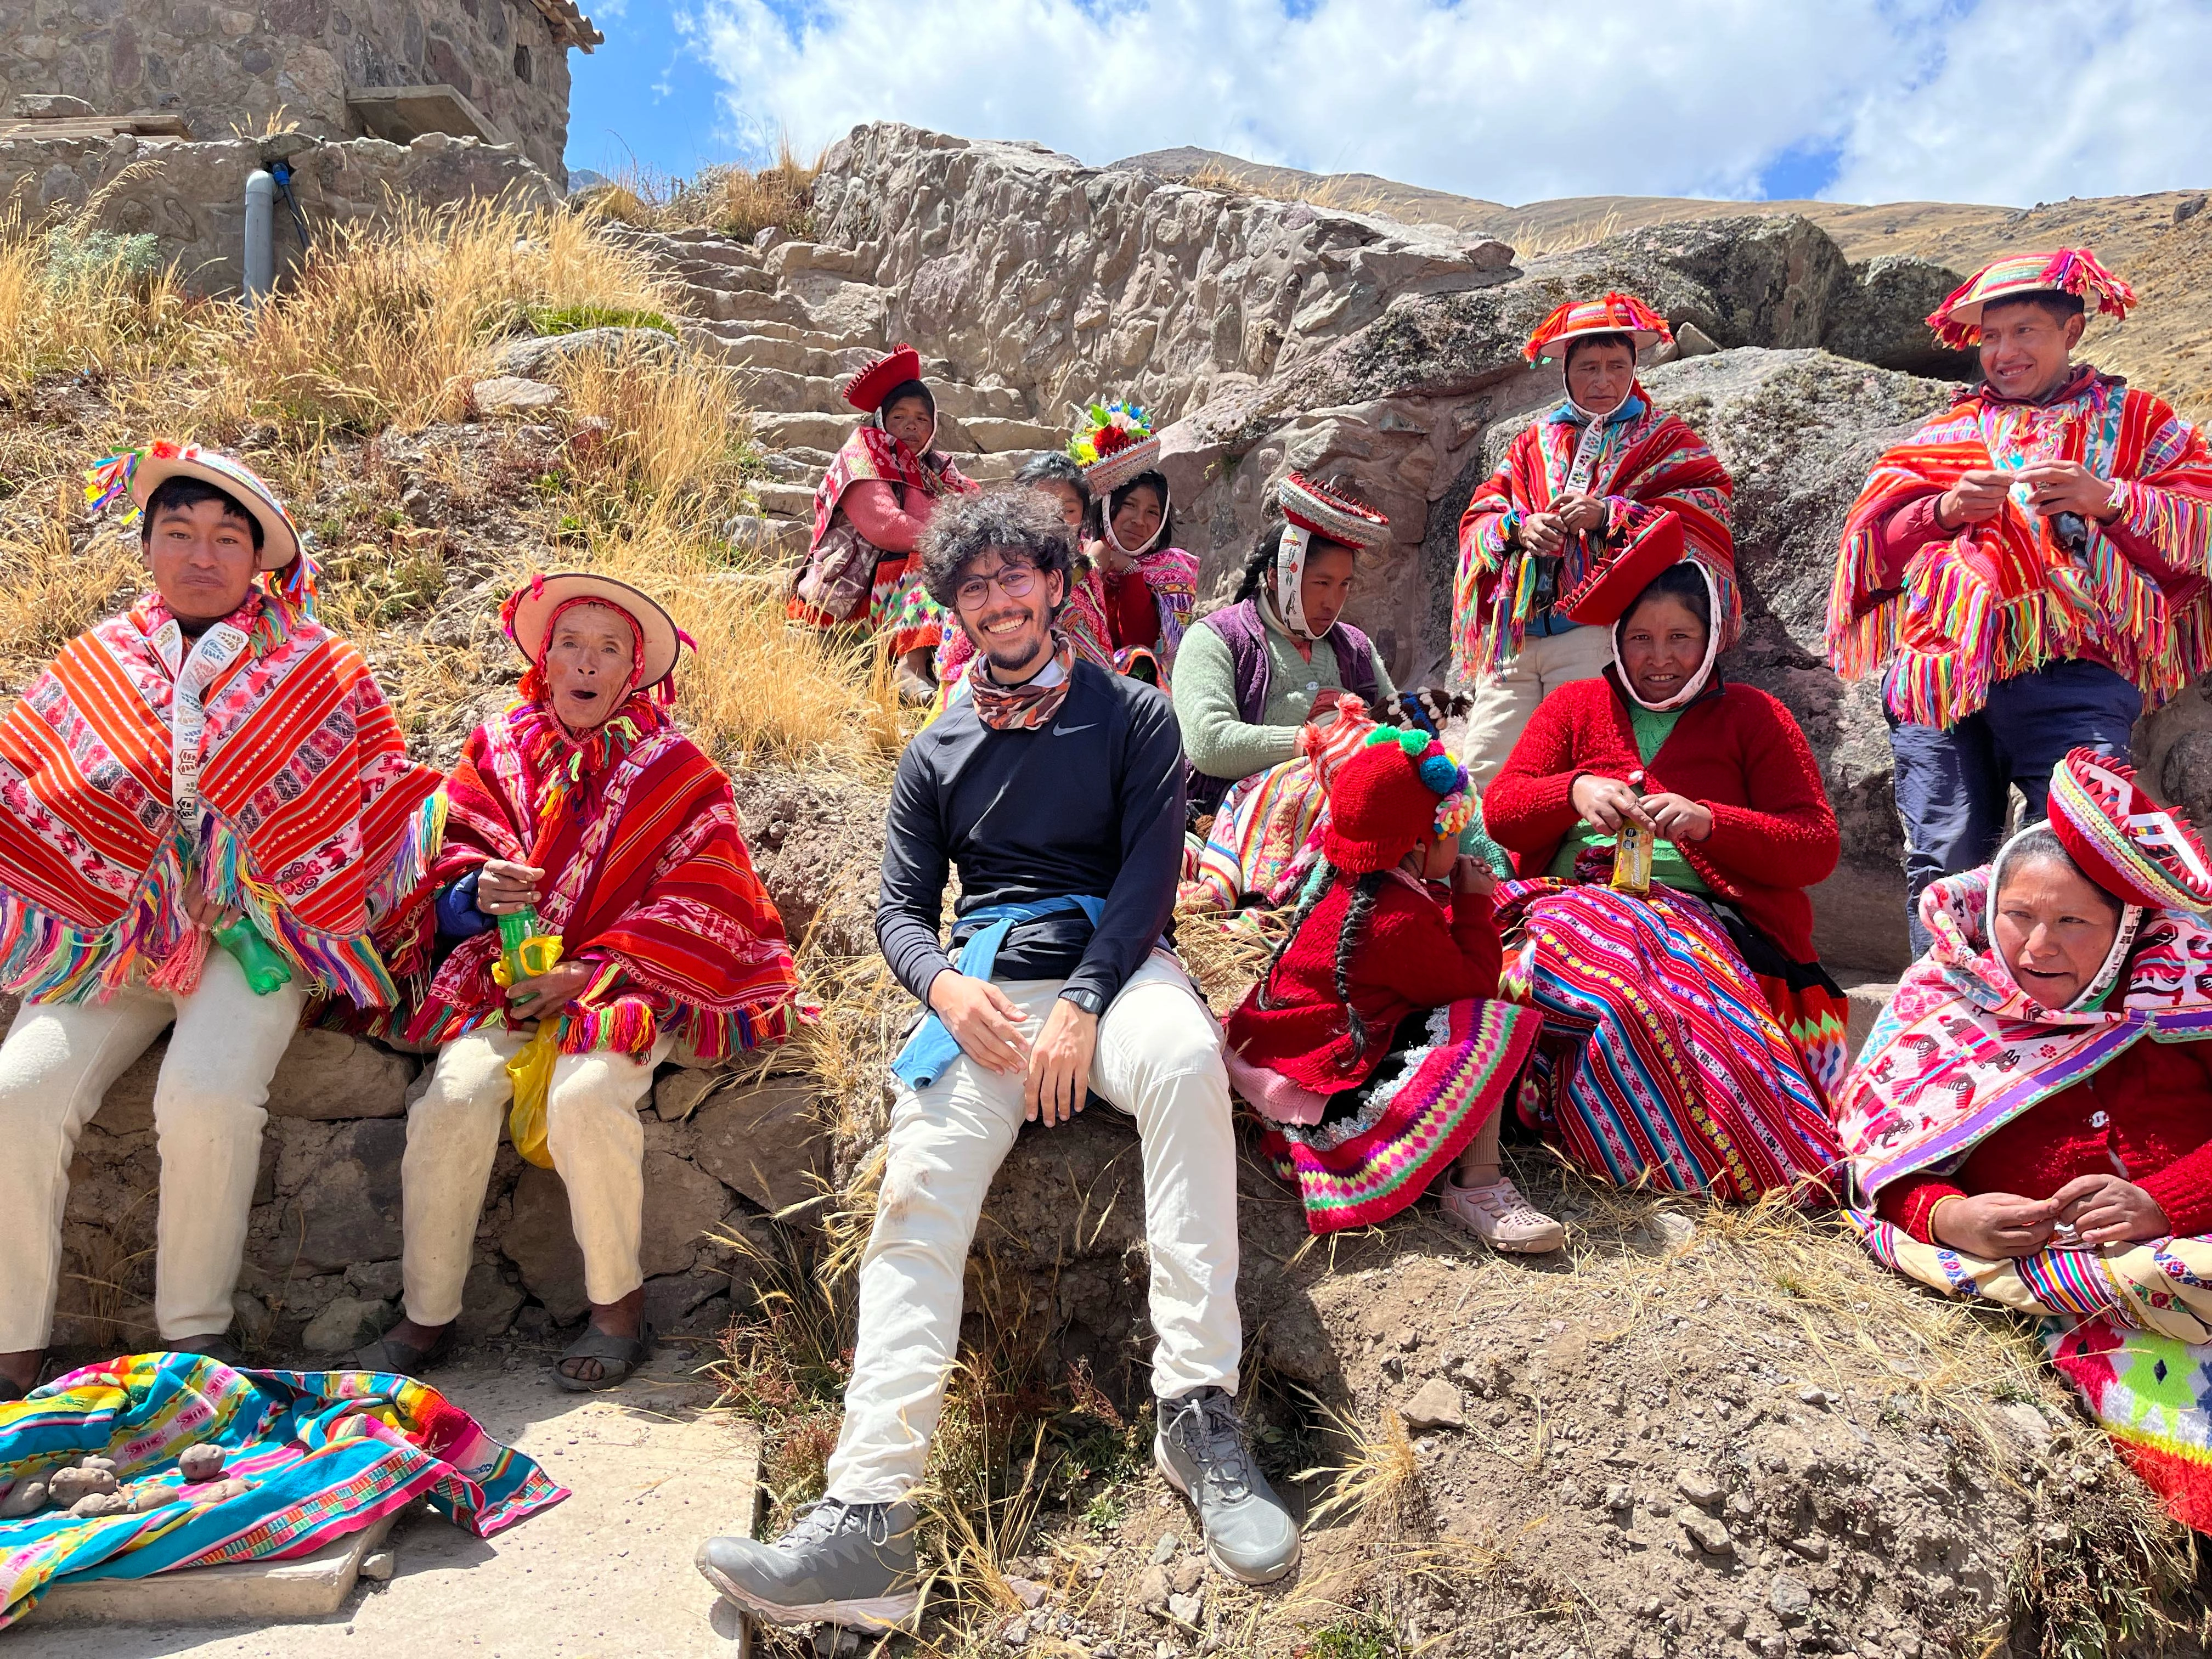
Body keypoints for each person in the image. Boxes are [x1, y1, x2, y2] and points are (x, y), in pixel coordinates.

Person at [696, 490, 1299, 1629]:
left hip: (1117, 976)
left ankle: (1198, 1418)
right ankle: (869, 1519)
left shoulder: (1134, 716)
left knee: (1182, 1064)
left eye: (1017, 577)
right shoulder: (936, 750)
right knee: (918, 1192)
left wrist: (1082, 1004)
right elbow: (900, 912)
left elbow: (1147, 880)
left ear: (1059, 584)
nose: (999, 600)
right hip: (984, 991)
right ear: (954, 609)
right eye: (974, 587)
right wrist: (947, 988)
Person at [0, 442, 443, 1397]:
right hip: (113, 936)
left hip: (260, 942)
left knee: (203, 1097)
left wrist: (251, 887)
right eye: (179, 534)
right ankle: (12, 1350)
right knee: (14, 1096)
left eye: (225, 538)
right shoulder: (96, 661)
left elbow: (373, 803)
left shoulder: (319, 666)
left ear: (260, 559)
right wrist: (137, 878)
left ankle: (189, 1349)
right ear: (149, 546)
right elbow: (31, 790)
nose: (202, 555)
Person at [366, 573, 805, 1390]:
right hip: (508, 976)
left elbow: (706, 892)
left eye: (609, 649)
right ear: (544, 656)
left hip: (631, 985)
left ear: (635, 669)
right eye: (571, 643)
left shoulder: (678, 770)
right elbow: (452, 852)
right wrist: (474, 891)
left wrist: (591, 971)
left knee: (583, 1099)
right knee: (454, 1100)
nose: (587, 663)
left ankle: (617, 1310)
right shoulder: (497, 748)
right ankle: (428, 1317)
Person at [1836, 752, 2212, 1528]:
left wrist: (2164, 1200)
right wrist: (1950, 1218)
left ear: (2125, 928)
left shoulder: (2184, 990)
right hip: (2078, 1291)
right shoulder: (1941, 1006)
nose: (2039, 947)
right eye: (2020, 916)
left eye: (2073, 922)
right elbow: (1882, 1160)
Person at [1827, 249, 2212, 954]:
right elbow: (1869, 553)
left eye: (2026, 331)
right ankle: (1944, 1028)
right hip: (1940, 675)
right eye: (1991, 337)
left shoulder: (2141, 426)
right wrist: (1942, 511)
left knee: (2081, 849)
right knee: (1944, 856)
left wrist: (2112, 501)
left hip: (2078, 670)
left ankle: (2065, 1036)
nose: (2004, 353)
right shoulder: (1940, 437)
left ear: (2072, 331)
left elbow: (2199, 533)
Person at [1483, 556, 1846, 1199]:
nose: (1660, 659)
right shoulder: (1575, 706)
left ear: (1710, 642)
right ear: (1617, 642)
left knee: (1645, 1011)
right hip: (1571, 904)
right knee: (1532, 976)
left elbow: (1815, 846)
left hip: (1699, 926)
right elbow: (1504, 811)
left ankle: (1676, 1154)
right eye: (1640, 639)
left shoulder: (1754, 717)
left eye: (1681, 638)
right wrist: (1573, 790)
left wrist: (1711, 823)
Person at [1223, 729, 1554, 1246]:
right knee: (1486, 1025)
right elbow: (1474, 984)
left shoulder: (1356, 885)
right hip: (1319, 1102)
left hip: (1280, 1065)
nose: (1460, 842)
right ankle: (1477, 1185)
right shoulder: (1395, 919)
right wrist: (1473, 904)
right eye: (1454, 832)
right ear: (1422, 843)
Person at [1453, 291, 1737, 787]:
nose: (1602, 380)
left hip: (1596, 630)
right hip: (1516, 633)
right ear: (1566, 372)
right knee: (1485, 770)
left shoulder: (1664, 437)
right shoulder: (1531, 442)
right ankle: (1482, 865)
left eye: (1615, 365)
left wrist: (1610, 513)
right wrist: (1517, 528)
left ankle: (1576, 866)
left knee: (1586, 765)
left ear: (1634, 368)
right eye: (1588, 367)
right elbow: (1483, 510)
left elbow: (1704, 504)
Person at [1172, 472, 1402, 910]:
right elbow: (1207, 743)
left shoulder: (1354, 647)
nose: (1332, 602)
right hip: (1233, 812)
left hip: (1352, 795)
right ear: (1279, 577)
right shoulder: (1215, 639)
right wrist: (1309, 741)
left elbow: (1393, 724)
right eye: (1321, 583)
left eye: (1344, 585)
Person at [937, 407, 1199, 690]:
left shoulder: (1161, 569)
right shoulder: (1076, 560)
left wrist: (1128, 572)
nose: (1139, 520)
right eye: (1129, 506)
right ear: (1107, 510)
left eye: (1152, 512)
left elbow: (1123, 645)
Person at [788, 343, 979, 703]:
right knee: (931, 557)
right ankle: (911, 667)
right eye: (900, 416)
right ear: (881, 420)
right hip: (857, 590)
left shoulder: (938, 469)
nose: (911, 425)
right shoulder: (863, 456)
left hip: (905, 577)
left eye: (922, 418)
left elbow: (977, 508)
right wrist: (952, 539)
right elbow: (887, 527)